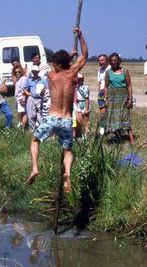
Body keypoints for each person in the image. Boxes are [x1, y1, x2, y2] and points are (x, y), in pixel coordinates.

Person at [27, 27, 88, 194]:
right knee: (67, 150)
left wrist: (69, 55)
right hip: (67, 120)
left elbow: (56, 66)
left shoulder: (51, 75)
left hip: (52, 118)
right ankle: (67, 173)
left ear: (57, 64)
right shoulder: (72, 73)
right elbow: (85, 55)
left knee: (35, 141)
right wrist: (81, 37)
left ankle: (35, 168)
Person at [104, 53, 135, 146]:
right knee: (114, 117)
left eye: (115, 60)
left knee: (125, 116)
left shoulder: (125, 71)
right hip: (112, 97)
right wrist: (105, 99)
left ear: (119, 61)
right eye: (112, 61)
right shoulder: (108, 72)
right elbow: (106, 87)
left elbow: (129, 86)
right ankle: (118, 137)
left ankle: (131, 137)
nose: (113, 62)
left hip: (123, 96)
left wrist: (130, 98)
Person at [23, 65, 49, 132]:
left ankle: (42, 131)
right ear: (32, 72)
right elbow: (23, 88)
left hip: (40, 99)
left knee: (40, 115)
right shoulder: (29, 80)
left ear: (38, 72)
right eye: (33, 71)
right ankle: (32, 130)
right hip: (31, 98)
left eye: (36, 71)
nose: (35, 73)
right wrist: (27, 93)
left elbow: (47, 88)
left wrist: (44, 90)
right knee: (31, 115)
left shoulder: (42, 79)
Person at [73, 74, 90, 138]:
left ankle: (86, 135)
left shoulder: (85, 87)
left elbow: (87, 98)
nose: (78, 80)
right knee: (80, 120)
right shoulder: (76, 87)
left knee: (86, 120)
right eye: (77, 79)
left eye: (79, 79)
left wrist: (86, 108)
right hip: (79, 104)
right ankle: (81, 134)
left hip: (84, 103)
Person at [96, 54, 110, 135]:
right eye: (99, 61)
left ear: (107, 60)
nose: (101, 62)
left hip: (109, 92)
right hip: (101, 92)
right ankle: (102, 132)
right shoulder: (100, 70)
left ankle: (115, 130)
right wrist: (99, 92)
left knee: (111, 112)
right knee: (102, 113)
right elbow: (99, 82)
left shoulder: (110, 69)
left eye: (102, 60)